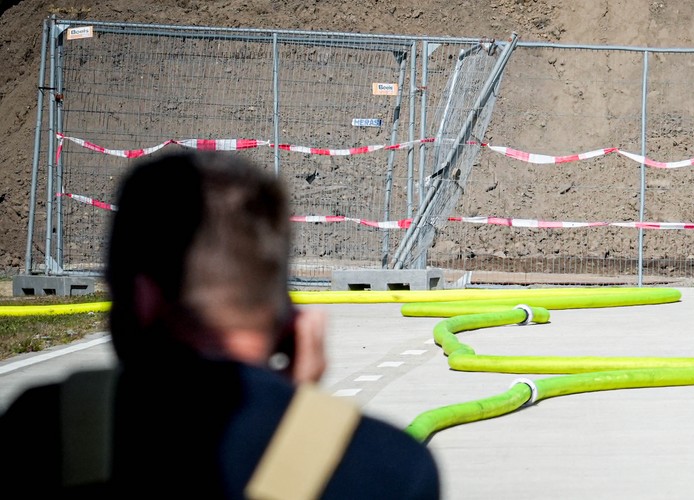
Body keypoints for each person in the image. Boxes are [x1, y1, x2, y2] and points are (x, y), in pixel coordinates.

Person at [0, 151, 440, 497]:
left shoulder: (39, 433)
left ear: (141, 299)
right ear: (294, 322)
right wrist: (294, 414)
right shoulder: (390, 467)